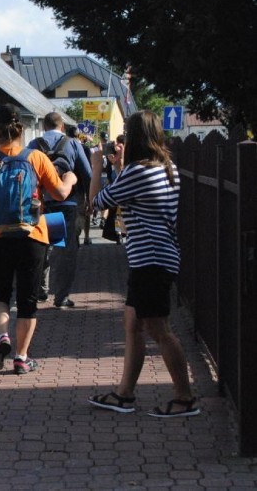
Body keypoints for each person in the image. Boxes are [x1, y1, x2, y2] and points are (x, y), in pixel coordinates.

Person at [88, 111, 200, 417]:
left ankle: (185, 397)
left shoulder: (137, 172)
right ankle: (124, 394)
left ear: (134, 136)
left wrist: (96, 169)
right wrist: (120, 169)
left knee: (159, 329)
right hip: (159, 256)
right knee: (133, 324)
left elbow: (96, 203)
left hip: (149, 260)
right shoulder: (167, 168)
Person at [0, 104, 76, 375]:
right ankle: (21, 357)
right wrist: (70, 179)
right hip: (33, 236)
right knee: (27, 299)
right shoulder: (37, 158)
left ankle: (2, 335)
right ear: (21, 130)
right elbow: (60, 193)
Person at [27, 112, 92, 308]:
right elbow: (87, 173)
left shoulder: (33, 145)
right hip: (66, 203)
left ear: (44, 127)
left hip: (40, 205)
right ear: (62, 126)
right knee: (66, 251)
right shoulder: (72, 144)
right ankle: (61, 296)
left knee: (40, 247)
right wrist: (89, 199)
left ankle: (40, 290)